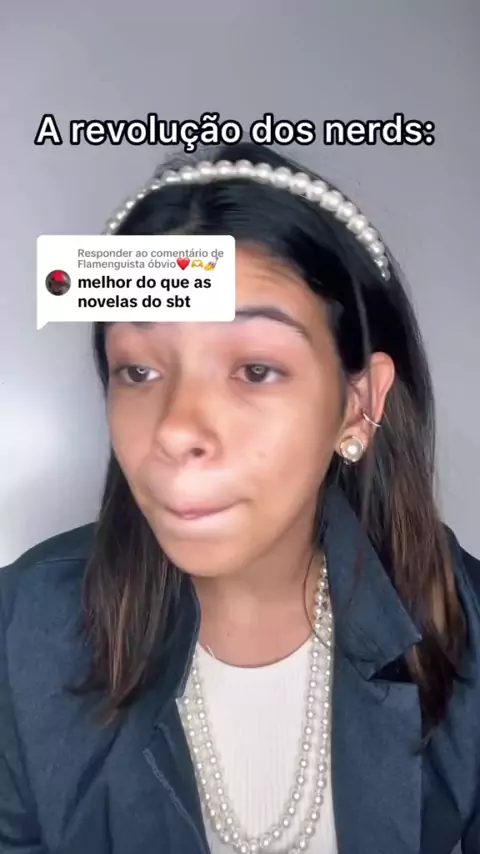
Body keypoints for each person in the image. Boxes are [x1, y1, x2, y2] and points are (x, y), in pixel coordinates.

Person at [1, 143, 479, 854]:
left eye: (255, 369)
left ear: (358, 406)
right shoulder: (19, 630)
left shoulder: (465, 626)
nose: (176, 429)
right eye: (137, 371)